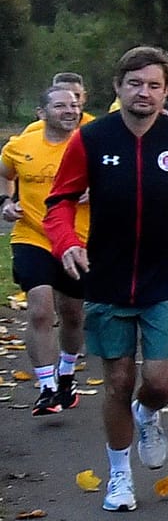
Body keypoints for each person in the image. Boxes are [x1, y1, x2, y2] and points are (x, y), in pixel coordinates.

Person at [45, 46, 168, 513]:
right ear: (117, 88)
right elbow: (60, 200)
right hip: (107, 275)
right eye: (135, 84)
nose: (143, 93)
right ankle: (119, 476)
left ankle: (150, 414)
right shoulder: (91, 139)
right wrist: (67, 243)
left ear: (167, 92)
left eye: (153, 86)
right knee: (117, 382)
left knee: (158, 383)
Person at [2, 85, 90, 415]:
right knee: (39, 308)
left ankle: (66, 373)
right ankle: (46, 387)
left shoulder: (90, 144)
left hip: (77, 239)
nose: (70, 110)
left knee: (72, 313)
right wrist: (6, 202)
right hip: (32, 236)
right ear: (41, 113)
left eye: (74, 105)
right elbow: (4, 174)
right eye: (61, 106)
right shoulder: (20, 146)